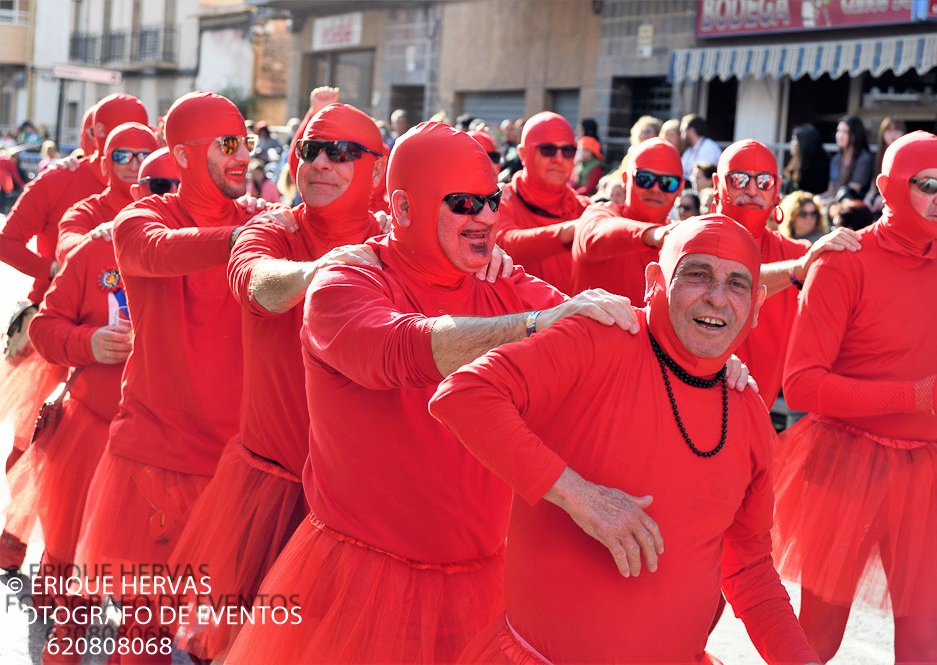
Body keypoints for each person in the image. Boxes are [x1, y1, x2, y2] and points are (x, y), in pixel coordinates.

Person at [226, 121, 640, 663]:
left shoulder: (501, 281)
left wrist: (706, 362)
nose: (487, 217)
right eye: (464, 203)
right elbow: (404, 350)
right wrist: (538, 322)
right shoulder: (345, 282)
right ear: (401, 209)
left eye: (492, 200)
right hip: (361, 582)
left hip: (482, 579)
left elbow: (603, 335)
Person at [429, 214, 820, 665]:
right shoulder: (602, 338)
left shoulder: (747, 409)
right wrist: (579, 495)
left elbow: (749, 568)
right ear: (656, 281)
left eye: (737, 284)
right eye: (697, 274)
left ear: (756, 305)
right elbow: (464, 394)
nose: (716, 297)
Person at [167, 102, 388, 662]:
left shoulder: (397, 242)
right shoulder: (269, 229)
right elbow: (259, 284)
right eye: (311, 149)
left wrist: (493, 262)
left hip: (357, 504)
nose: (320, 163)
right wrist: (329, 270)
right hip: (269, 493)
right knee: (234, 647)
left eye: (341, 153)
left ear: (377, 170)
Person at [771, 131, 937, 664]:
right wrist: (924, 393)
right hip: (845, 461)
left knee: (926, 645)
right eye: (929, 185)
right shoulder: (843, 261)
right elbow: (801, 386)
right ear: (887, 188)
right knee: (816, 640)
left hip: (928, 467)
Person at [73, 92, 271, 664]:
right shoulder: (140, 218)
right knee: (144, 639)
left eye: (246, 143)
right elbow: (156, 252)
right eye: (227, 144)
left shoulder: (260, 218)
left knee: (222, 641)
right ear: (182, 155)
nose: (242, 157)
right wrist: (245, 241)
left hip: (239, 469)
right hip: (155, 461)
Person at [18, 148, 176, 660]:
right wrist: (88, 344)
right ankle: (66, 639)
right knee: (72, 558)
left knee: (148, 575)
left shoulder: (221, 258)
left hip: (166, 444)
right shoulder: (95, 250)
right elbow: (45, 325)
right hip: (91, 429)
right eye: (156, 187)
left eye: (179, 189)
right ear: (135, 191)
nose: (169, 200)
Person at [0, 93, 147, 572]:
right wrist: (58, 267)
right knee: (37, 438)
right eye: (119, 150)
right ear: (96, 139)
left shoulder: (157, 185)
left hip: (126, 337)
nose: (130, 162)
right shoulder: (62, 178)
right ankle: (16, 539)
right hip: (59, 322)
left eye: (139, 148)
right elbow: (7, 240)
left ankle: (82, 556)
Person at [713, 139, 860, 410]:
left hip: (758, 411)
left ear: (777, 189)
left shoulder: (797, 251)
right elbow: (721, 274)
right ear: (717, 184)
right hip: (689, 403)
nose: (753, 190)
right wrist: (795, 270)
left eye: (764, 182)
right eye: (740, 179)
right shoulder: (692, 238)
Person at [572, 138, 683, 305]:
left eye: (668, 183)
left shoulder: (677, 237)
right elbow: (595, 234)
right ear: (626, 179)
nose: (655, 188)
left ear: (680, 188)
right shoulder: (600, 214)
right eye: (644, 179)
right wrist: (653, 234)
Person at [496, 111, 590, 294]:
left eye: (567, 151)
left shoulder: (584, 208)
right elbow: (505, 244)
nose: (558, 159)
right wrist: (566, 233)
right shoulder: (501, 201)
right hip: (522, 321)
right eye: (548, 149)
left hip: (578, 319)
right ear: (523, 154)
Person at [56, 122, 160, 262]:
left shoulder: (170, 209)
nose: (134, 166)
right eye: (122, 156)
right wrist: (99, 238)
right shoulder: (86, 212)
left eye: (144, 156)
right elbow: (67, 248)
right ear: (105, 166)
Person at [824, 114, 873, 202]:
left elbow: (853, 190)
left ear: (855, 135)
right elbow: (831, 191)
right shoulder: (835, 159)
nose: (839, 135)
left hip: (852, 203)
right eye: (838, 131)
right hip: (834, 201)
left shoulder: (864, 158)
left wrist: (829, 201)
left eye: (845, 132)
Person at [866, 116, 906, 214]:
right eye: (888, 130)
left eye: (896, 130)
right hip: (879, 197)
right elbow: (873, 186)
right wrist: (867, 199)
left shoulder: (906, 156)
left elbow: (903, 186)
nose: (892, 134)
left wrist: (884, 198)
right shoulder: (880, 156)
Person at [782, 124, 829, 196]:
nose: (791, 143)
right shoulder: (795, 162)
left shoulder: (819, 167)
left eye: (794, 139)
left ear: (804, 142)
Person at [680, 114, 722, 181]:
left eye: (683, 131)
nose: (681, 135)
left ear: (691, 130)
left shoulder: (709, 147)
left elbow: (703, 178)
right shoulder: (689, 150)